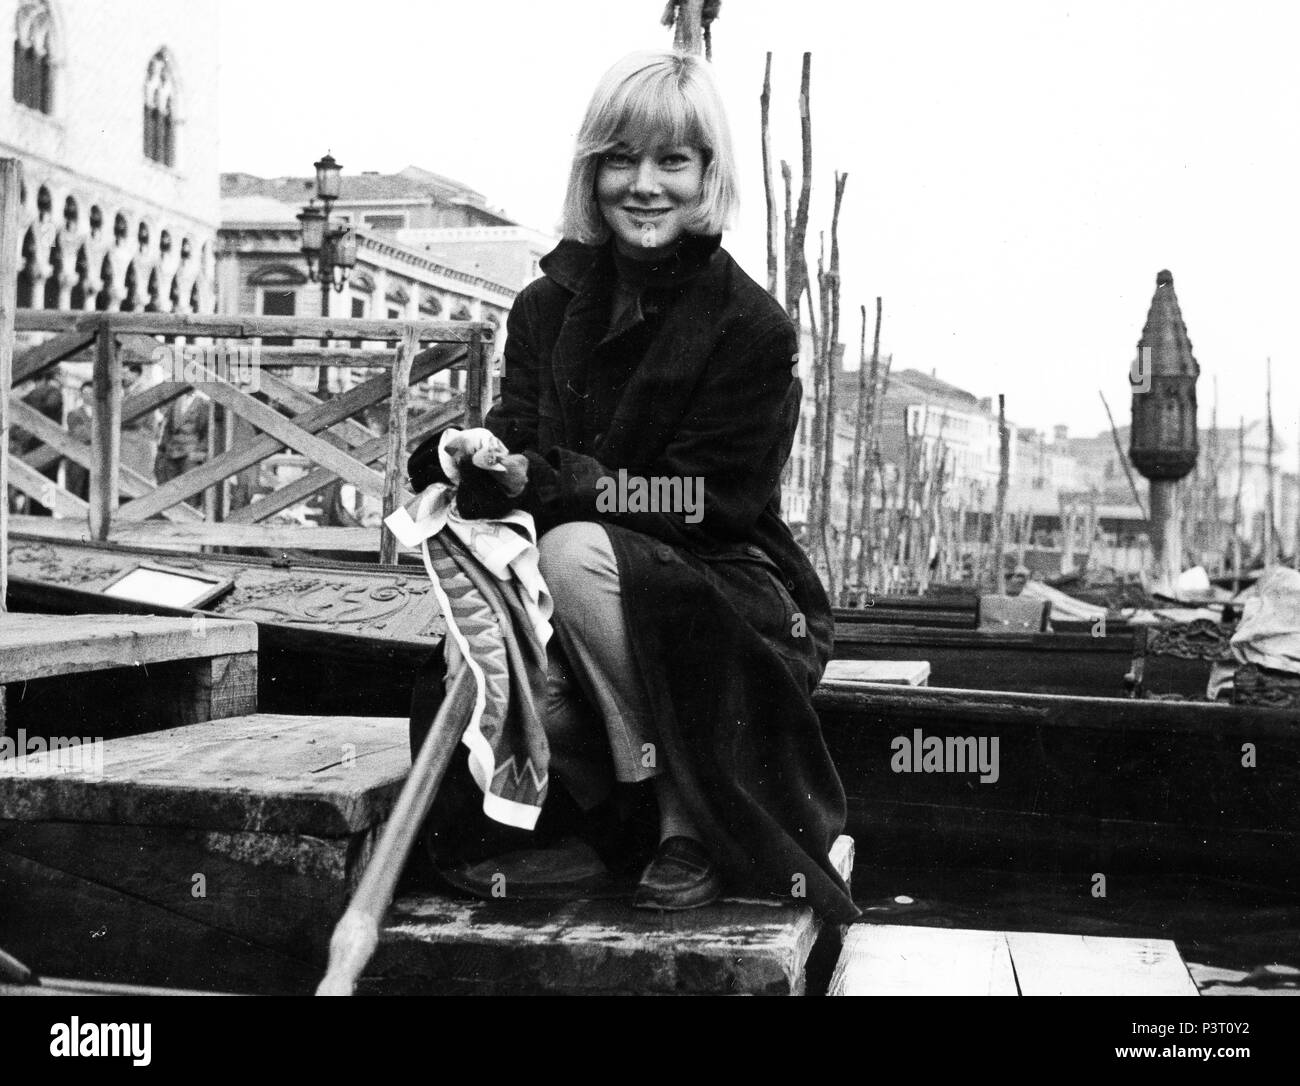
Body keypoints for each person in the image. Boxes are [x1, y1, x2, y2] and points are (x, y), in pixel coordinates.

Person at [414, 50, 857, 921]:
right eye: (621, 159)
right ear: (593, 171)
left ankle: (686, 819)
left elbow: (695, 504)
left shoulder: (753, 328)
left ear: (706, 177)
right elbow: (521, 430)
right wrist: (465, 453)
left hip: (723, 589)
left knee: (573, 554)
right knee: (482, 652)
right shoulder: (547, 304)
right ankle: (609, 828)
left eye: (671, 162)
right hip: (585, 580)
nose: (643, 185)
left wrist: (546, 482)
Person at [155, 386, 210, 499]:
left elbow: (206, 431)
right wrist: (163, 449)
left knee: (189, 488)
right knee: (170, 487)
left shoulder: (202, 404)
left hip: (190, 452)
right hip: (172, 451)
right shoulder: (175, 402)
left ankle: (191, 513)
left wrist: (199, 452)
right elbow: (167, 429)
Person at [65, 380, 94, 501]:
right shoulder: (74, 414)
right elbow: (79, 434)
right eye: (85, 392)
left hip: (94, 460)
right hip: (78, 461)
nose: (88, 395)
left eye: (91, 392)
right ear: (81, 394)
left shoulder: (102, 413)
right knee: (76, 493)